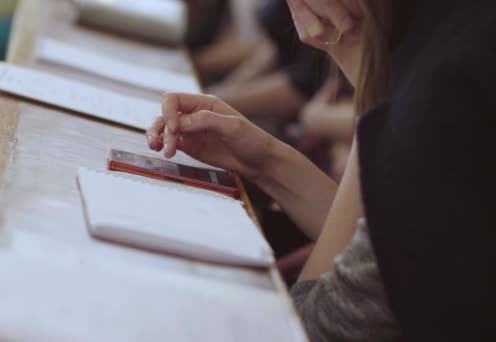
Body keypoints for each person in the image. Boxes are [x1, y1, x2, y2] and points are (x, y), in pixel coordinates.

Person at [146, 0, 496, 340]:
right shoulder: (446, 35)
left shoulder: (451, 78)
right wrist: (265, 162)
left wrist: (371, 89)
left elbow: (309, 324)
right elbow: (389, 246)